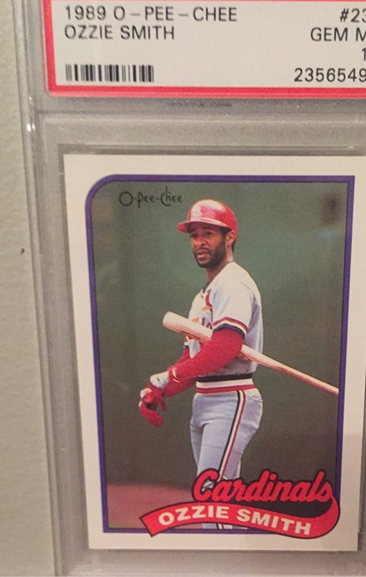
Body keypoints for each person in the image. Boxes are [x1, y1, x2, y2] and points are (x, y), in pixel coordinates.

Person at [139, 199, 263, 509]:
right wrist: (162, 388)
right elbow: (191, 361)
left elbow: (225, 347)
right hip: (205, 397)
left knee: (210, 501)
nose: (199, 242)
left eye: (208, 233)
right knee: (224, 503)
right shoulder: (203, 295)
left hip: (230, 397)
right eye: (194, 235)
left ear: (229, 237)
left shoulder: (233, 284)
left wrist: (172, 375)